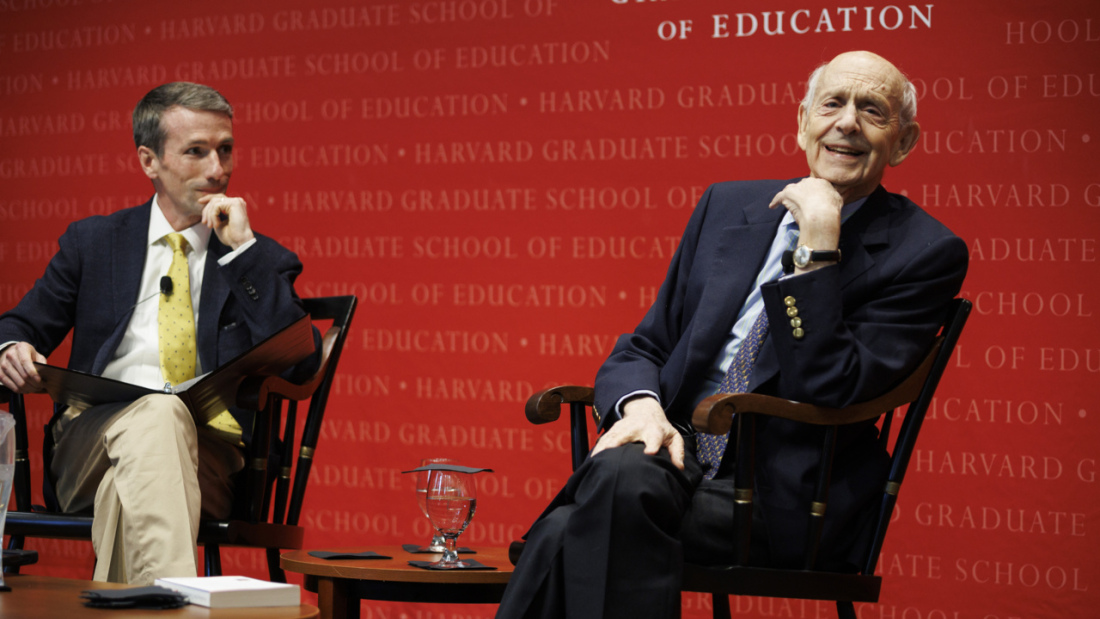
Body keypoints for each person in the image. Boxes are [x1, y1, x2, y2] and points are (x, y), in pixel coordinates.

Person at [496, 51, 969, 619]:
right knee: (624, 474)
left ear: (904, 141)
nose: (847, 123)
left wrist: (818, 248)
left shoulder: (926, 252)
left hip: (781, 495)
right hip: (671, 456)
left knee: (575, 524)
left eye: (872, 110)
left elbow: (831, 384)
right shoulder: (728, 206)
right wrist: (642, 408)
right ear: (802, 121)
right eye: (833, 104)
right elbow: (647, 345)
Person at [0, 82, 318, 585]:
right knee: (158, 413)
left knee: (132, 480)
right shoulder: (94, 243)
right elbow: (18, 324)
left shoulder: (258, 258)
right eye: (196, 151)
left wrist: (241, 254)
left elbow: (302, 364)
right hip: (90, 446)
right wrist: (10, 348)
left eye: (226, 149)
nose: (219, 169)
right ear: (149, 161)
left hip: (209, 459)